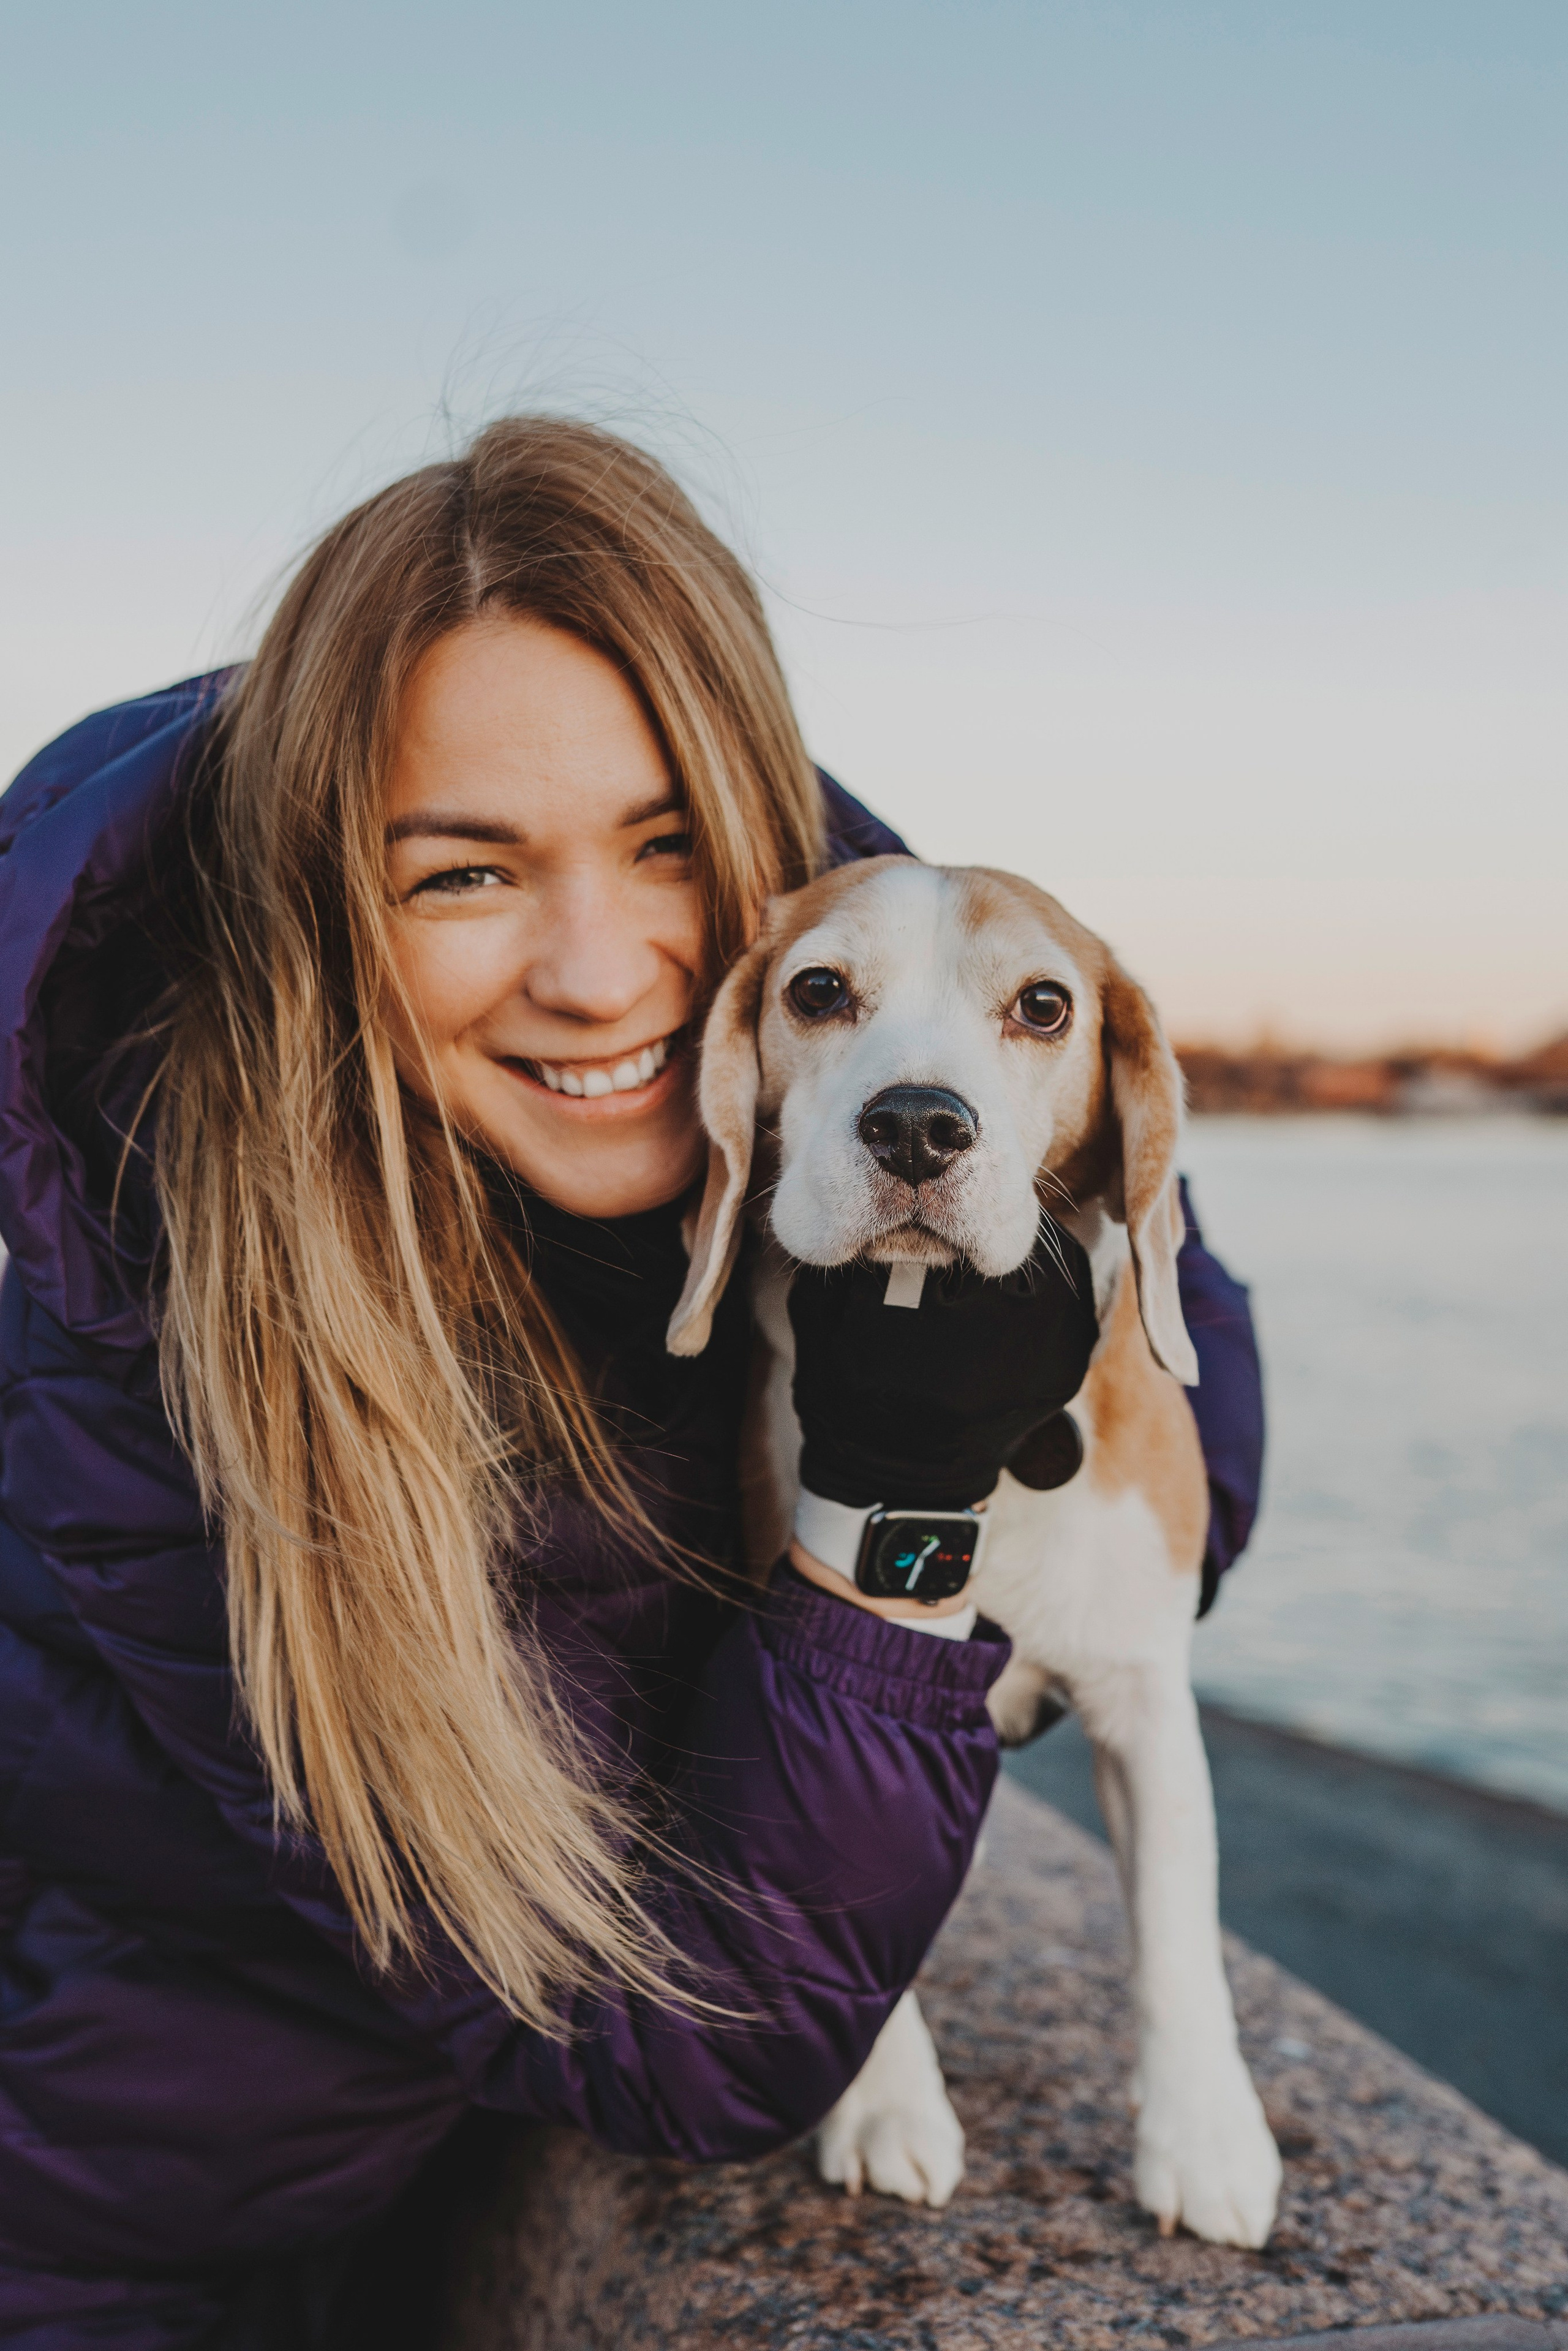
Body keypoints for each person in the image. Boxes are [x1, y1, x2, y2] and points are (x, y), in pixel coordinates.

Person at [0, 418, 1262, 2349]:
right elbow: (678, 2045)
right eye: (461, 875)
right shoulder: (160, 1341)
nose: (603, 976)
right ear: (322, 911)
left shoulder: (830, 976)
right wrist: (894, 1514)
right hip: (123, 2239)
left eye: (664, 843)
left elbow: (1204, 1419)